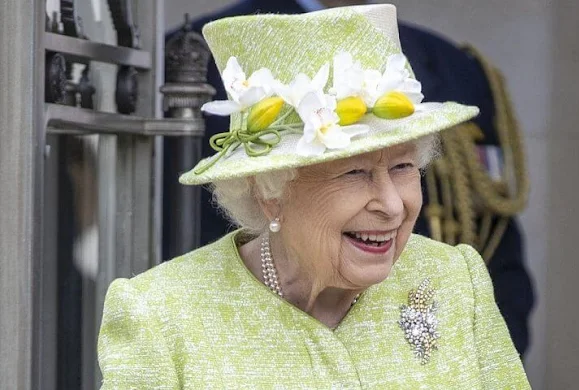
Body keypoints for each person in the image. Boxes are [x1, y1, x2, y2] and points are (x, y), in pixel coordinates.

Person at [99, 5, 530, 388]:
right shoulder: (161, 316)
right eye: (355, 172)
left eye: (402, 167)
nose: (393, 205)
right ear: (270, 192)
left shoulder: (455, 279)